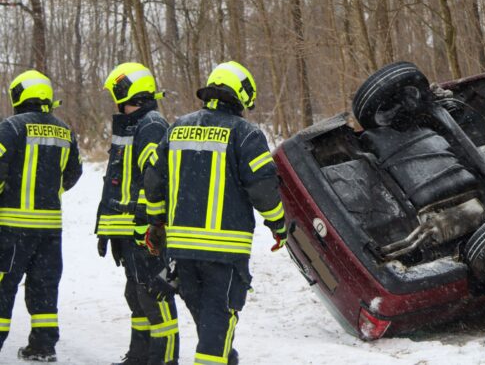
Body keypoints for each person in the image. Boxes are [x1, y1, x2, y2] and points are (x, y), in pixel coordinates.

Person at [144, 61, 285, 365]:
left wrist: (157, 222)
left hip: (183, 253)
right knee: (217, 327)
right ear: (241, 96)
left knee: (209, 325)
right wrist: (279, 224)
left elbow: (153, 180)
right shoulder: (246, 134)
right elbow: (262, 188)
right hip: (225, 254)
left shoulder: (177, 127)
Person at [96, 63, 179, 365]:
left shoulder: (151, 125)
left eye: (117, 94)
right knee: (137, 296)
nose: (116, 101)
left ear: (127, 92)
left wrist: (147, 225)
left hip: (144, 230)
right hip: (127, 231)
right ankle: (139, 356)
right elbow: (115, 183)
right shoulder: (130, 126)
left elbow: (155, 180)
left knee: (155, 297)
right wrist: (106, 228)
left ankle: (164, 360)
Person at [0, 70, 82, 362]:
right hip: (49, 228)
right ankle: (43, 346)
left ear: (19, 95)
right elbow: (73, 174)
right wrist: (47, 192)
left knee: (3, 286)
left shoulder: (10, 127)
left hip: (11, 226)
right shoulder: (64, 130)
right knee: (44, 287)